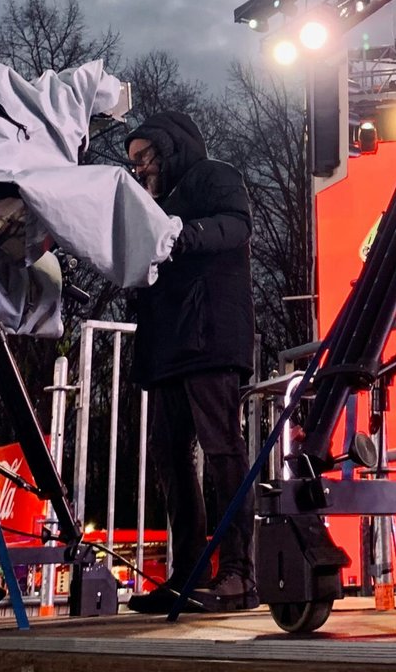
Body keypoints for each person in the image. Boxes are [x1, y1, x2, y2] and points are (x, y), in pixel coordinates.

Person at [123, 110, 258, 613]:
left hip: (209, 333)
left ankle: (239, 571)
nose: (139, 168)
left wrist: (177, 234)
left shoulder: (213, 175)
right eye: (133, 161)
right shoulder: (149, 202)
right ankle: (189, 572)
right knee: (168, 453)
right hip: (167, 341)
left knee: (222, 446)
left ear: (167, 145)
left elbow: (236, 226)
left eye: (144, 156)